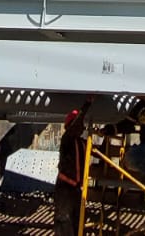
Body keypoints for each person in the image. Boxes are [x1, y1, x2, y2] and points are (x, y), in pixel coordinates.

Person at [54, 98, 93, 235]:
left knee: (77, 221)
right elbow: (75, 126)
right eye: (80, 123)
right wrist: (87, 104)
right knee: (64, 220)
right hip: (65, 187)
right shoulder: (67, 139)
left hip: (76, 189)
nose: (82, 127)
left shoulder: (81, 143)